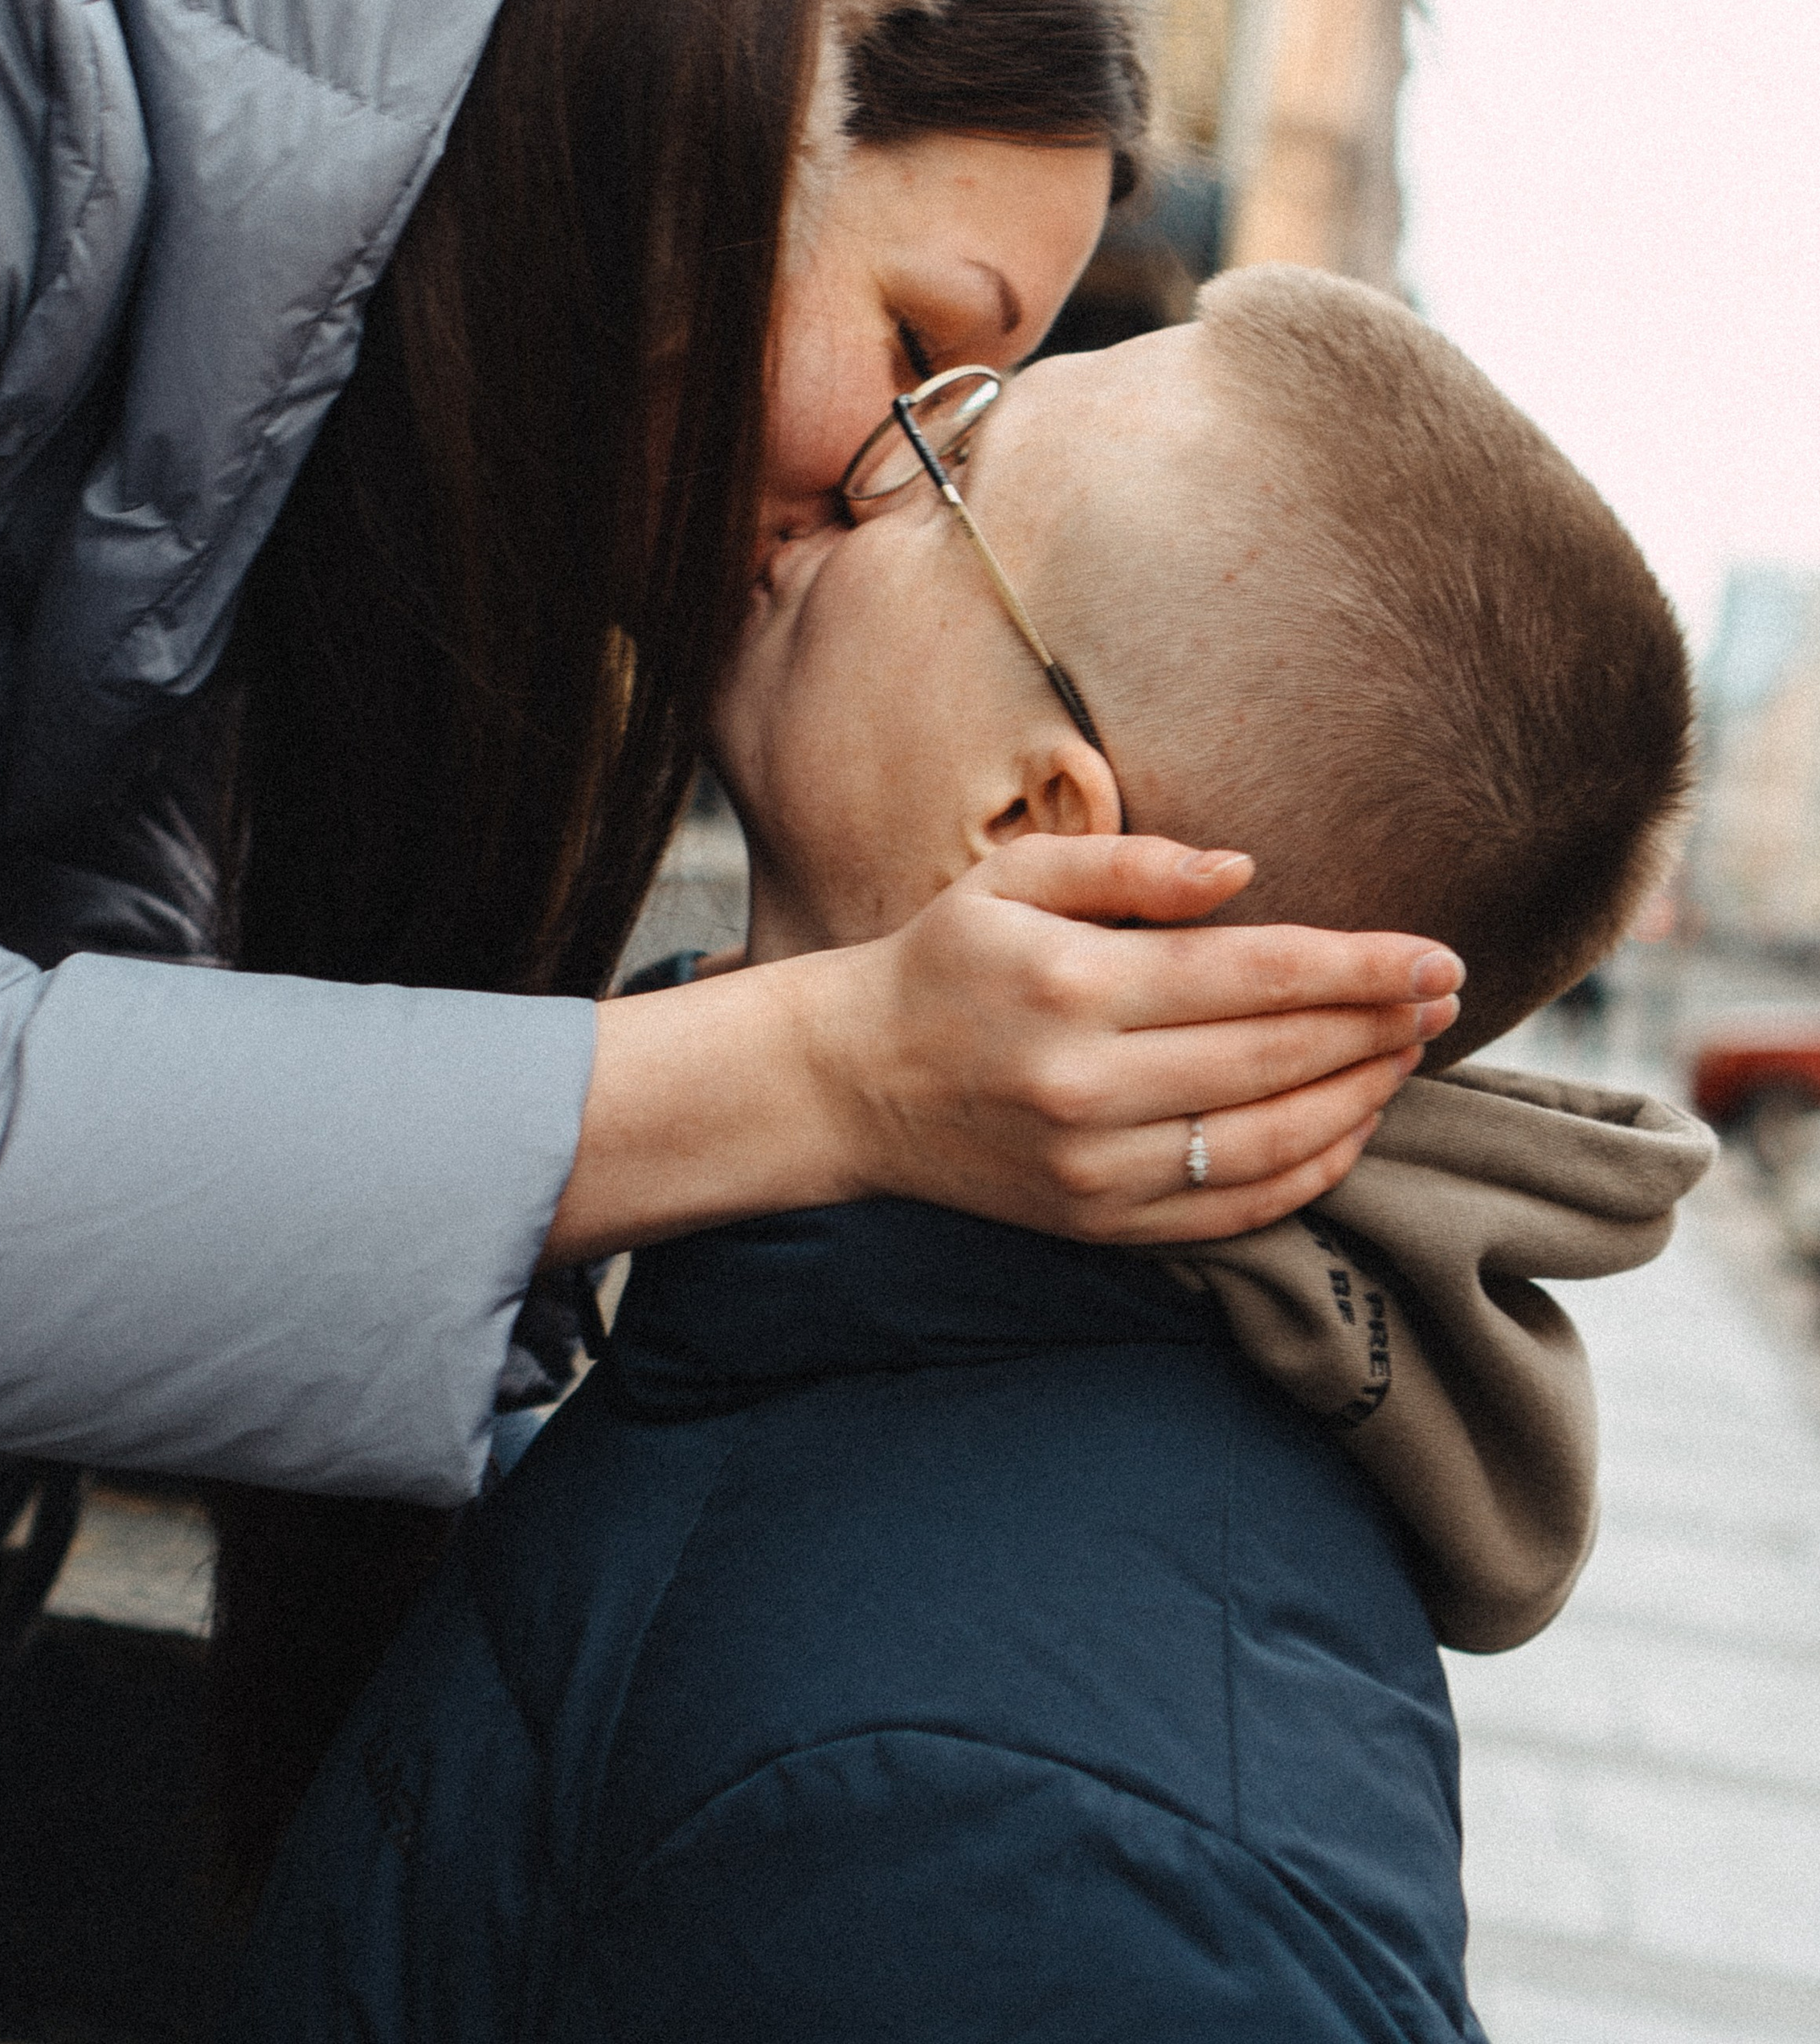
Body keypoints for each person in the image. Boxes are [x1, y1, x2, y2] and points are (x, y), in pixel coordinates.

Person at [0, 0, 1461, 1862]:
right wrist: (821, 1075)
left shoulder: (283, 322)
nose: (886, 495)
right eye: (922, 351)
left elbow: (41, 920)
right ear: (746, 69)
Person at [227, 268, 1699, 2042]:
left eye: (947, 455)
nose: (860, 454)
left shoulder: (1040, 1840)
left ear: (1031, 826)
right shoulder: (840, 1338)